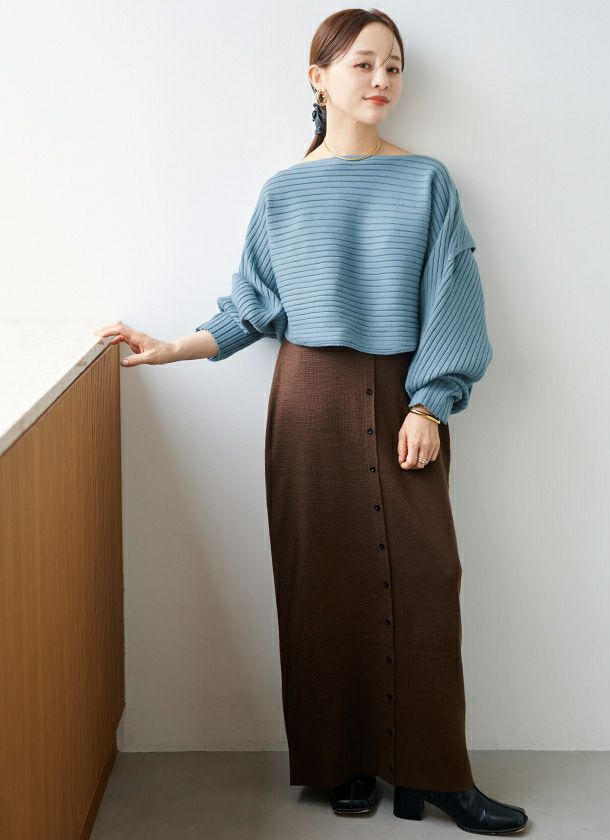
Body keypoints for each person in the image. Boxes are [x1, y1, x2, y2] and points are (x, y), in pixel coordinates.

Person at [95, 8, 529, 835]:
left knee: (428, 578)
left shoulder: (427, 181)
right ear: (318, 77)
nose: (381, 80)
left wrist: (430, 403)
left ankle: (436, 773)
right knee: (320, 582)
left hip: (401, 395)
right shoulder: (283, 193)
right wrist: (172, 347)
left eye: (393, 66)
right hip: (308, 400)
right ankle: (346, 763)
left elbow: (454, 299)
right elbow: (253, 306)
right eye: (363, 63)